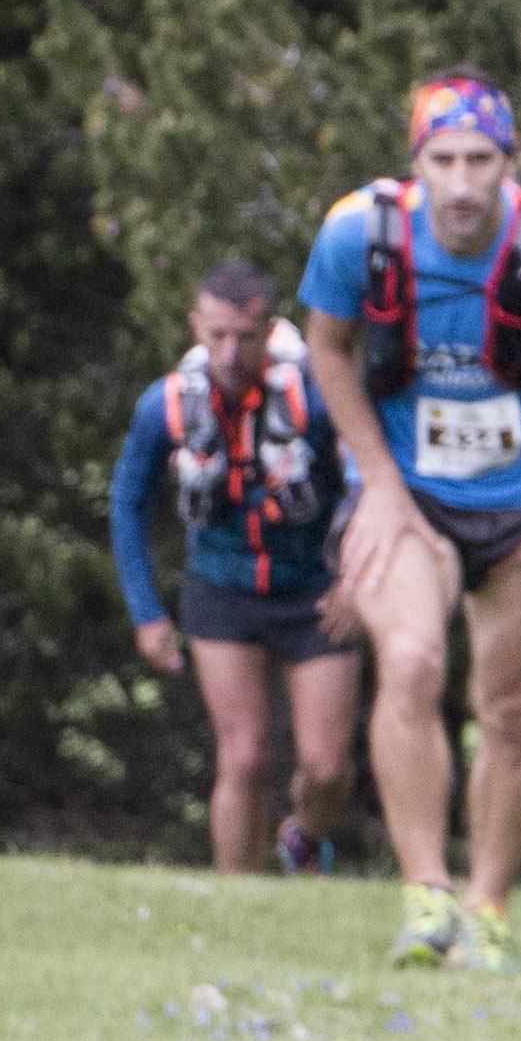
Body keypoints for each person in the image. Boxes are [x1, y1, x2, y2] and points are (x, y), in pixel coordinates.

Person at [301, 71, 521, 968]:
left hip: (520, 496)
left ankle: (487, 907)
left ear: (509, 165)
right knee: (409, 660)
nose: (461, 183)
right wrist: (378, 484)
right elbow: (327, 350)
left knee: (511, 707)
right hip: (407, 487)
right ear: (415, 167)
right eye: (442, 161)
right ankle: (425, 897)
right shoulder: (357, 235)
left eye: (480, 160)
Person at [107, 257, 362, 876]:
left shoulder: (318, 395)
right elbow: (126, 501)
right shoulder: (164, 404)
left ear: (269, 329)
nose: (229, 351)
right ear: (195, 325)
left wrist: (358, 580)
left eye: (245, 337)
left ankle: (302, 836)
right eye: (216, 334)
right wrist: (146, 612)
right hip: (222, 590)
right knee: (244, 758)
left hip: (315, 593)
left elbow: (370, 483)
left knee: (327, 768)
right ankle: (235, 901)